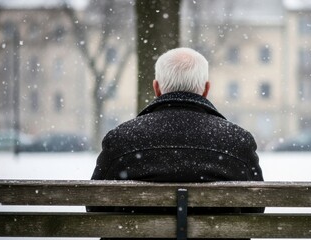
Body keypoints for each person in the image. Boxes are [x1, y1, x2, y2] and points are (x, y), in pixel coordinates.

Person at [88, 47, 264, 239]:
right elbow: (255, 207)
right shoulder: (237, 141)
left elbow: (96, 205)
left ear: (157, 88)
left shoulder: (121, 139)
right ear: (206, 89)